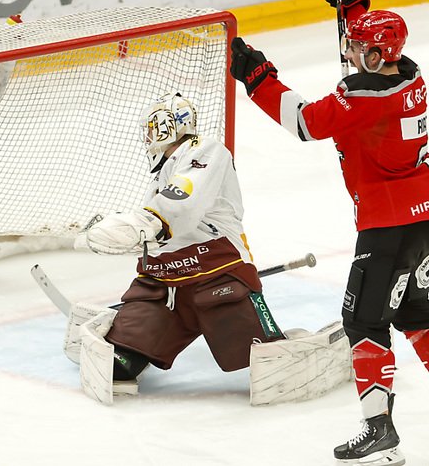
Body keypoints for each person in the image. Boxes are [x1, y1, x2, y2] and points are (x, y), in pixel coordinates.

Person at [229, 0, 429, 464]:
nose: (347, 50)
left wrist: (257, 77)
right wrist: (355, 11)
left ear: (374, 56)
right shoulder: (409, 77)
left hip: (388, 226)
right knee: (412, 307)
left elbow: (306, 122)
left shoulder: (361, 96)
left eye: (355, 46)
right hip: (425, 215)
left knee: (363, 321)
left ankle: (380, 433)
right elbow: (373, 51)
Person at [82, 92, 284, 389]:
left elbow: (183, 206)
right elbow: (162, 230)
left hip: (216, 275)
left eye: (151, 130)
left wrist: (142, 223)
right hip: (163, 285)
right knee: (116, 365)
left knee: (269, 364)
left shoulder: (206, 150)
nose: (148, 138)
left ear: (164, 128)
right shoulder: (159, 178)